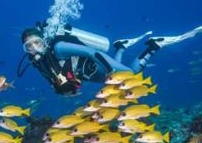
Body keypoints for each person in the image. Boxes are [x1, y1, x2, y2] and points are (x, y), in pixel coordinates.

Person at [18, 23, 202, 95]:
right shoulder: (37, 63)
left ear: (44, 40)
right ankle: (120, 46)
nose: (34, 48)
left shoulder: (59, 47)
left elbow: (92, 53)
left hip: (98, 65)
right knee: (116, 77)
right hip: (94, 77)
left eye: (37, 42)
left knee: (132, 75)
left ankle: (154, 45)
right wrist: (64, 88)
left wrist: (112, 71)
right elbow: (55, 80)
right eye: (29, 46)